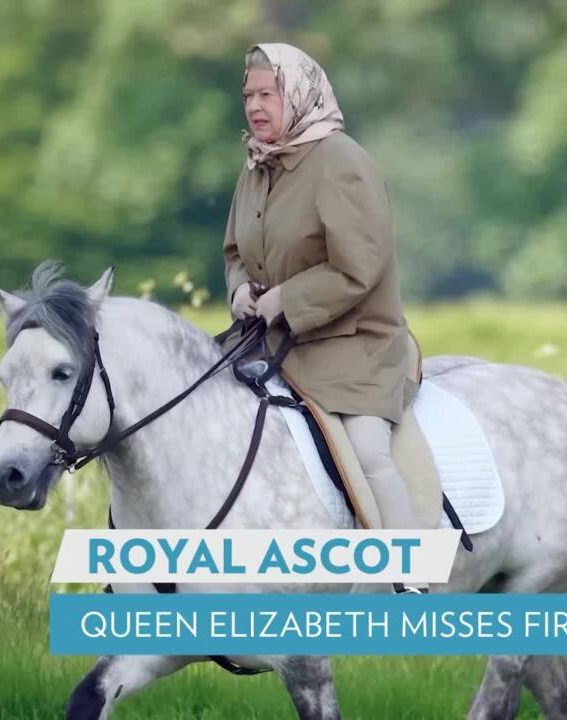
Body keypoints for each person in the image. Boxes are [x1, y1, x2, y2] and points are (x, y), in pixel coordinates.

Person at [222, 43, 424, 589]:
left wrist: (286, 298)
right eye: (249, 96)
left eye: (268, 94)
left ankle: (407, 575)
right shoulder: (256, 167)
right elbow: (236, 253)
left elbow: (360, 266)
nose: (255, 106)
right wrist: (240, 291)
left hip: (353, 344)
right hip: (272, 344)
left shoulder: (342, 162)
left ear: (300, 94)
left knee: (367, 449)